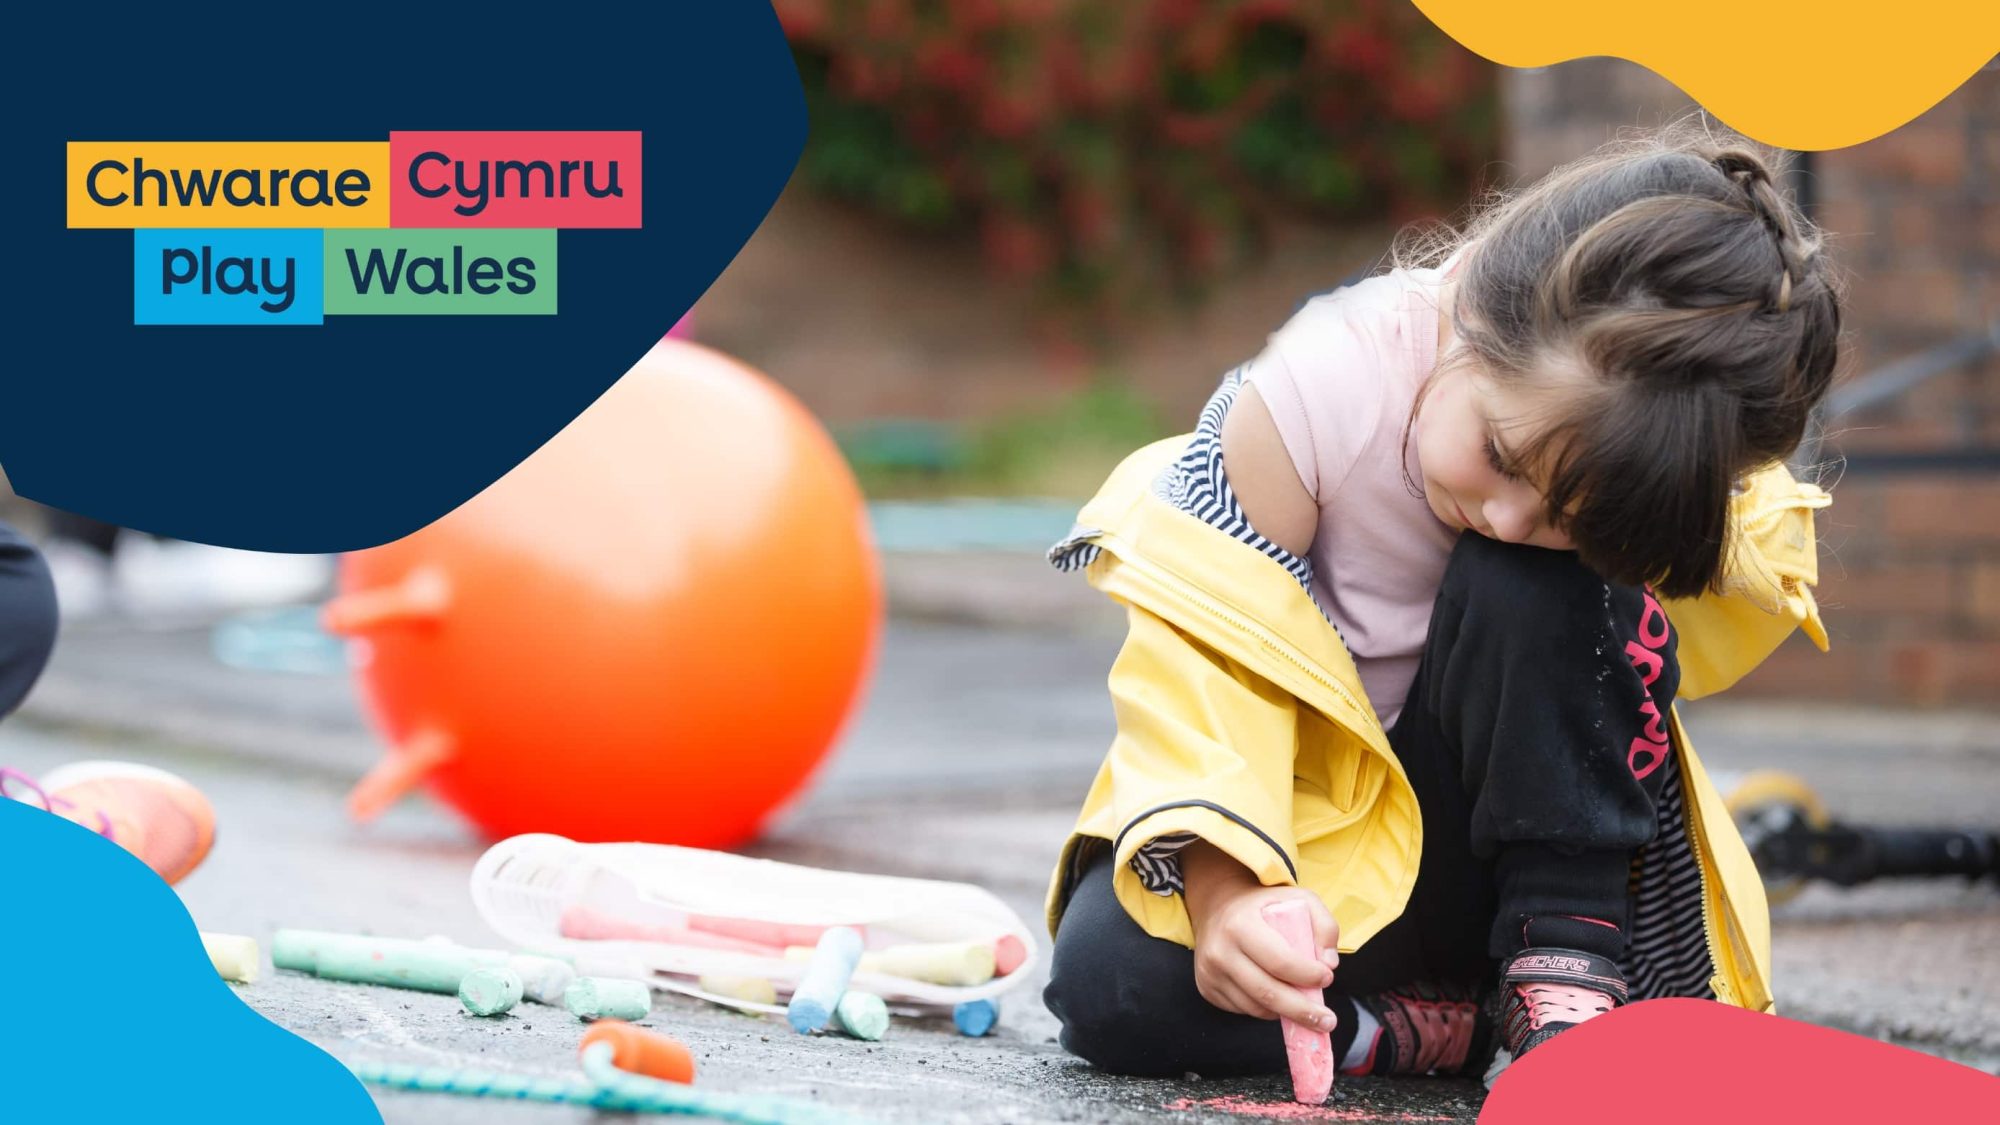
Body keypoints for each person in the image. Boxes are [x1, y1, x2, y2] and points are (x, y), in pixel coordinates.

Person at [1040, 123, 1844, 1085]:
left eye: (1563, 512)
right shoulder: (1309, 400)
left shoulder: (1628, 461)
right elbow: (1206, 672)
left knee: (1537, 583)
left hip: (1520, 859)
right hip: (1314, 848)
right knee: (1105, 983)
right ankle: (1404, 1031)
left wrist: (1638, 532)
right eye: (1501, 457)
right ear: (1466, 302)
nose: (1506, 516)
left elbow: (1634, 648)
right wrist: (1230, 899)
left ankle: (1565, 978)